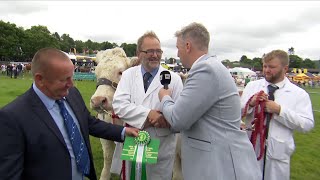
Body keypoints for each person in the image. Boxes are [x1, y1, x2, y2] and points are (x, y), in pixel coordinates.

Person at [0, 48, 139, 180]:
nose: (71, 84)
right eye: (63, 79)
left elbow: (89, 122)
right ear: (40, 79)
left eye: (71, 77)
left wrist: (123, 131)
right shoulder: (12, 118)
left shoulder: (72, 94)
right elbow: (9, 174)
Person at [155, 22, 261, 180]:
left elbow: (178, 119)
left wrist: (165, 98)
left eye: (178, 47)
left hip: (220, 166)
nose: (177, 54)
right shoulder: (212, 66)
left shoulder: (205, 69)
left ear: (188, 46)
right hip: (219, 162)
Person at [112, 31, 183, 179]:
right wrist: (150, 114)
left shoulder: (174, 79)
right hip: (133, 143)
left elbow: (180, 115)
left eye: (158, 51)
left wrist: (165, 118)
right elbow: (119, 105)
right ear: (139, 53)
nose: (155, 55)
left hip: (161, 147)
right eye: (150, 51)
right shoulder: (128, 75)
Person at [240, 50, 314, 180]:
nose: (267, 70)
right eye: (265, 66)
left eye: (272, 67)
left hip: (278, 156)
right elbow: (236, 114)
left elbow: (307, 124)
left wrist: (279, 111)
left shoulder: (298, 94)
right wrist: (250, 104)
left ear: (285, 68)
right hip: (251, 150)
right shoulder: (252, 86)